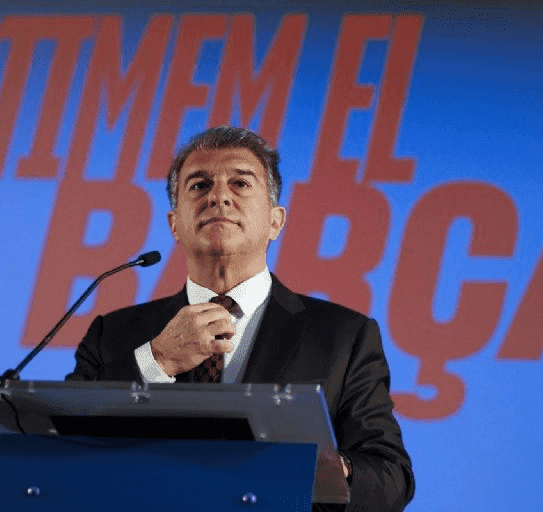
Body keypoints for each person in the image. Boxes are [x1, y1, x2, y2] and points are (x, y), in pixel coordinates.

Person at [67, 126, 415, 511]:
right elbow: (64, 448)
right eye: (199, 185)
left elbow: (391, 478)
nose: (218, 196)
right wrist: (157, 360)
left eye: (241, 183)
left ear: (275, 221)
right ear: (174, 224)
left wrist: (328, 468)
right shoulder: (113, 333)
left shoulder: (343, 337)